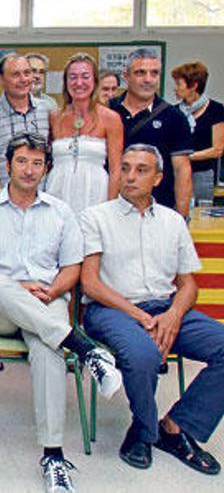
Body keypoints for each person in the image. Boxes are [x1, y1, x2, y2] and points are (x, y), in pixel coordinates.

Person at [0, 133, 122, 493]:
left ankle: (53, 456)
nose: (29, 170)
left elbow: (72, 268)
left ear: (46, 168)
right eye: (21, 161)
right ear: (8, 164)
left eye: (36, 163)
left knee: (47, 350)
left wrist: (53, 290)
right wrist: (19, 288)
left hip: (48, 299)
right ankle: (86, 349)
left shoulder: (62, 212)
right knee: (1, 285)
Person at [80, 143, 224, 476]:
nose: (129, 177)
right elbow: (90, 284)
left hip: (166, 307)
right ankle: (143, 431)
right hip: (110, 308)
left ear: (158, 178)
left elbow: (188, 284)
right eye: (125, 168)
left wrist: (172, 316)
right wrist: (141, 316)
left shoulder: (173, 221)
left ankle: (176, 428)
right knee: (144, 354)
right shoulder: (95, 217)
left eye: (141, 170)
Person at [109, 48, 192, 216]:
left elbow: (182, 170)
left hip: (157, 211)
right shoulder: (107, 111)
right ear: (126, 76)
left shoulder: (174, 117)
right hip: (112, 210)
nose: (148, 79)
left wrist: (181, 217)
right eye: (140, 73)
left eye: (154, 73)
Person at [46, 53, 124, 214]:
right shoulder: (54, 117)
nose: (78, 83)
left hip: (96, 194)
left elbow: (116, 169)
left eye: (85, 76)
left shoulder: (111, 118)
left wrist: (111, 208)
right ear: (65, 82)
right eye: (72, 77)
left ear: (94, 81)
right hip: (58, 191)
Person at [0, 53, 52, 189]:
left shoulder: (47, 109)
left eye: (27, 73)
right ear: (1, 79)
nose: (23, 79)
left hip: (43, 197)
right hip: (6, 198)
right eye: (15, 75)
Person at [172, 61, 224, 202]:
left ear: (193, 85)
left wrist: (186, 157)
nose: (175, 89)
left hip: (202, 174)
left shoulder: (216, 110)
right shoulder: (174, 112)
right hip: (177, 173)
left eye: (178, 84)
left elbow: (218, 149)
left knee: (200, 214)